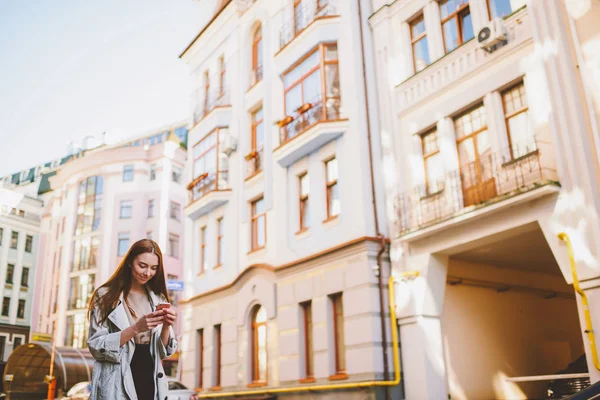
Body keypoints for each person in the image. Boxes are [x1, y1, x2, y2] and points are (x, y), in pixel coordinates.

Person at [87, 239, 177, 400]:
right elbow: (96, 346)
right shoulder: (105, 296)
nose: (147, 273)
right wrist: (136, 328)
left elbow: (163, 353)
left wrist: (166, 326)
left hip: (151, 376)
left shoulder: (158, 298)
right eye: (142, 265)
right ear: (129, 262)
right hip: (117, 376)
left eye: (153, 268)